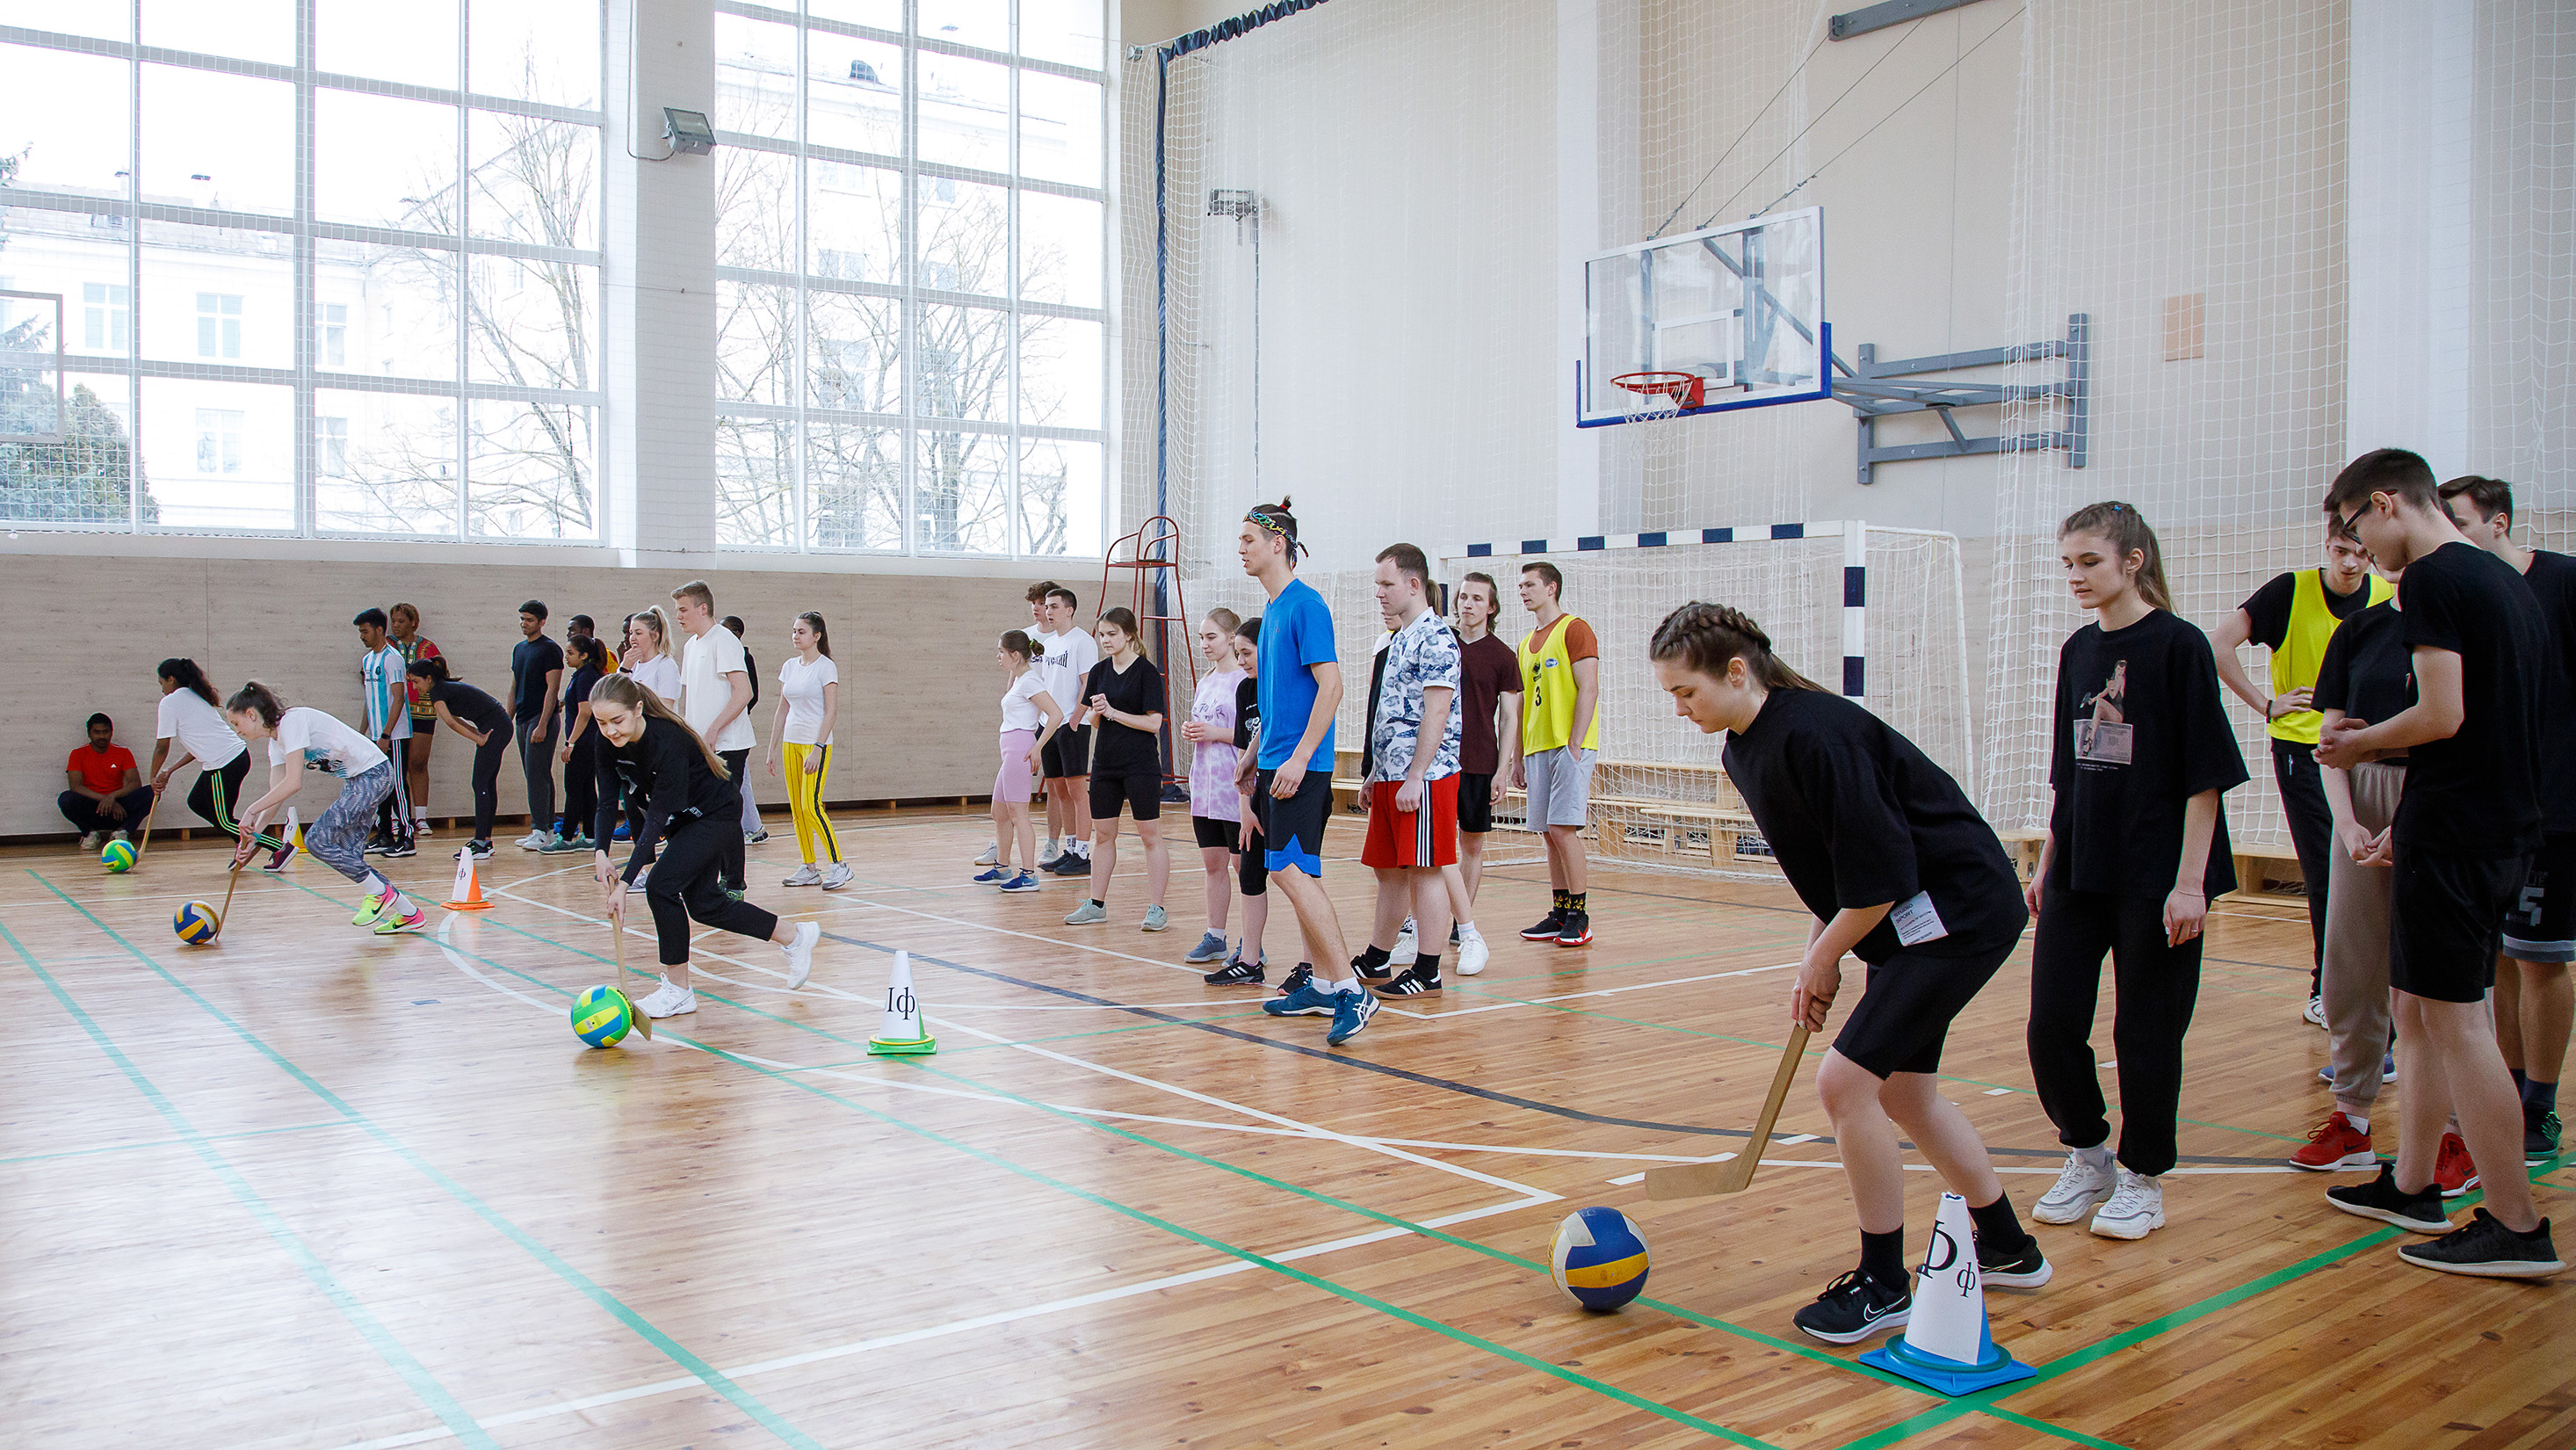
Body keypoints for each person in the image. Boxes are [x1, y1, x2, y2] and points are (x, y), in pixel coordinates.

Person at [1651, 601, 2049, 1344]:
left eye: (1686, 692)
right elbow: (1834, 873)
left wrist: (1824, 956)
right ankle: (2007, 1246)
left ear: (1736, 673)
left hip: (1960, 910)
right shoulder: (1745, 748)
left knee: (1844, 1084)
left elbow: (1881, 878)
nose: (1680, 709)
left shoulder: (1815, 736)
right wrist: (1821, 953)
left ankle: (1883, 1284)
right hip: (1906, 919)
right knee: (1902, 1091)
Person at [2318, 449, 2561, 1276]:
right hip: (2471, 822)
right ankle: (2413, 1183)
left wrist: (2357, 744)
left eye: (2357, 527)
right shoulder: (2499, 580)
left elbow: (2443, 713)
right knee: (2414, 1006)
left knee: (2455, 1017)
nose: (2360, 548)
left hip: (2467, 833)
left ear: (2385, 504)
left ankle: (2517, 1226)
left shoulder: (2430, 580)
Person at [2024, 501, 2247, 1242]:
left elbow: (2204, 776)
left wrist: (2190, 884)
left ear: (2133, 561)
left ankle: (2144, 1176)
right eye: (2068, 564)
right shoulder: (2075, 651)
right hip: (2079, 866)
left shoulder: (2180, 646)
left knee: (2146, 1033)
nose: (2076, 577)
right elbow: (2068, 776)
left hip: (2157, 873)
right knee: (2052, 1024)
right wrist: (2048, 862)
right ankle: (2089, 1155)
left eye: (2089, 562)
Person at [2293, 554, 2453, 1178]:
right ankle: (2352, 1118)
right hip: (2360, 801)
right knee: (2350, 965)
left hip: (2436, 797)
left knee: (2444, 980)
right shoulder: (2359, 630)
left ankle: (2457, 1134)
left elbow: (2450, 728)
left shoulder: (2457, 625)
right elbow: (2330, 743)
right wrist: (2349, 821)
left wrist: (2406, 819)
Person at [2211, 511, 2389, 1022]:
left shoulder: (2385, 595)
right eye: (2341, 550)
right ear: (2326, 544)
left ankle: (2379, 993)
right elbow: (2218, 643)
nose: (2352, 562)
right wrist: (2265, 704)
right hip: (2303, 753)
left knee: (2375, 873)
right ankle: (2326, 989)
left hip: (2369, 754)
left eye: (2362, 552)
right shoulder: (2289, 591)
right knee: (2327, 872)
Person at [2442, 475, 2573, 1166]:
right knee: (2499, 957)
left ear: (2499, 523)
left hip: (2557, 811)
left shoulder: (2563, 582)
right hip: (2493, 811)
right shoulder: (2472, 598)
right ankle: (2514, 1089)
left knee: (2542, 956)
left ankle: (2541, 1108)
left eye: (2458, 523)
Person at [588, 674, 821, 1018]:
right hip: (686, 818)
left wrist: (625, 883)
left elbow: (655, 820)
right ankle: (795, 936)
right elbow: (607, 800)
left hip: (717, 813)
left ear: (638, 709)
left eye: (617, 721)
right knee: (705, 905)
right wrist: (601, 852)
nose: (610, 730)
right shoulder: (607, 742)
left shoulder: (668, 742)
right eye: (602, 722)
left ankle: (678, 990)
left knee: (661, 886)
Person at [1242, 499, 1368, 1045]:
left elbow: (1332, 686)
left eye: (1250, 539)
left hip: (1302, 766)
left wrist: (1297, 758)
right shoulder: (1271, 612)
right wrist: (1254, 758)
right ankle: (1318, 983)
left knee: (1291, 873)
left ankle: (1350, 988)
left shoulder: (1305, 605)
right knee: (1298, 874)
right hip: (1275, 763)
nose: (1242, 548)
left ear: (1279, 543)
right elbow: (1277, 702)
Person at [222, 682, 426, 936]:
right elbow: (276, 797)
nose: (236, 730)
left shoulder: (291, 723)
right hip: (357, 783)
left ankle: (379, 893)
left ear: (251, 715)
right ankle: (410, 915)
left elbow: (293, 782)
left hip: (374, 775)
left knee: (317, 840)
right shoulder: (276, 745)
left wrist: (251, 810)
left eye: (236, 723)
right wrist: (251, 841)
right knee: (350, 858)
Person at [1353, 545, 1462, 997]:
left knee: (1425, 869)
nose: (1378, 593)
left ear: (1414, 585)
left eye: (1386, 584)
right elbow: (1390, 713)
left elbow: (1436, 714)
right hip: (1392, 773)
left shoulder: (1436, 637)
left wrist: (1416, 775)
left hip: (1426, 777)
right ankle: (1379, 956)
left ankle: (1429, 968)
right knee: (1389, 869)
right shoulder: (1400, 637)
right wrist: (1377, 773)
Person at [1063, 607, 1171, 931]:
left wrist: (1112, 711)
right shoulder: (1098, 672)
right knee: (1104, 836)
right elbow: (1096, 721)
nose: (1106, 640)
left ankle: (1157, 908)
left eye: (1112, 634)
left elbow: (1153, 724)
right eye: (1102, 635)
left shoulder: (1146, 673)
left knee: (1149, 835)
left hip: (1140, 765)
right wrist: (1097, 714)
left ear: (1129, 635)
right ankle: (1096, 904)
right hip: (1105, 765)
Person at [1514, 560, 1603, 948]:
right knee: (1549, 833)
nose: (1523, 591)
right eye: (1520, 585)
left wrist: (1576, 743)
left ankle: (1580, 915)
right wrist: (1516, 756)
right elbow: (1519, 707)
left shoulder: (1575, 629)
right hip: (1536, 746)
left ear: (1551, 588)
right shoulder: (1523, 643)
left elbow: (1589, 688)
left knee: (1564, 829)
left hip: (1568, 745)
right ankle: (1560, 910)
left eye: (1530, 584)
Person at [147, 660, 293, 866]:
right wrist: (170, 770)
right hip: (231, 758)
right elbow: (197, 746)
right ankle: (244, 843)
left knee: (223, 819)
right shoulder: (195, 696)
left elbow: (162, 747)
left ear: (171, 679)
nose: (161, 687)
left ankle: (279, 847)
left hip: (225, 762)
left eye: (161, 682)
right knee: (196, 802)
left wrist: (153, 778)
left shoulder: (169, 703)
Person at [1447, 570, 1519, 976]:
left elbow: (1509, 717)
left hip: (1479, 762)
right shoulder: (1442, 643)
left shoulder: (1503, 656)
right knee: (1429, 848)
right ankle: (1417, 922)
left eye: (1477, 598)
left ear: (1491, 607)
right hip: (1439, 762)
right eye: (1463, 597)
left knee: (1470, 845)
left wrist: (1502, 769)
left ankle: (1463, 923)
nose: (1467, 604)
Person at [672, 581, 756, 895]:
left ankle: (734, 882)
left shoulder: (724, 640)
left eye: (683, 609)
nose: (678, 616)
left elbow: (743, 692)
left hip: (728, 744)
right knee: (704, 813)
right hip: (701, 745)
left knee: (725, 812)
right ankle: (711, 876)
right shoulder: (691, 645)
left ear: (702, 608)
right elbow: (691, 698)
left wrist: (714, 729)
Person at [1206, 617, 1275, 984]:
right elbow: (1242, 759)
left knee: (1296, 877)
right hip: (1256, 797)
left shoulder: (1280, 687)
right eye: (1239, 653)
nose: (1243, 660)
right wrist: (1246, 809)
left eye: (1248, 653)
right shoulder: (1244, 690)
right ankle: (1250, 961)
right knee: (1250, 874)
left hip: (1289, 792)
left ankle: (1314, 965)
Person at [1179, 607, 1248, 964]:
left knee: (1243, 867)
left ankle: (1251, 944)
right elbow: (1204, 726)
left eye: (1212, 637)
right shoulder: (1205, 681)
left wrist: (1216, 733)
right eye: (1202, 637)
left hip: (1233, 788)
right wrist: (1193, 732)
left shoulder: (1244, 681)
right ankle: (1215, 935)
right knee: (1213, 864)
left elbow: (1251, 735)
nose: (1204, 644)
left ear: (1232, 638)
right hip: (1204, 787)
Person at [981, 582, 1062, 869]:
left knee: (1018, 814)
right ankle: (1002, 867)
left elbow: (1055, 714)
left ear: (1015, 655)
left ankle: (1028, 874)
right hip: (1010, 751)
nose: (998, 657)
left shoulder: (1029, 681)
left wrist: (1038, 747)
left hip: (1020, 749)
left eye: (1001, 652)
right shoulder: (1018, 679)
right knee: (999, 812)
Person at [768, 611, 850, 889]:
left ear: (817, 636)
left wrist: (817, 747)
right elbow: (782, 710)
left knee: (810, 805)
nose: (795, 636)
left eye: (801, 632)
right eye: (794, 631)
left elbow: (831, 711)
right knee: (797, 810)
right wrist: (772, 748)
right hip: (791, 742)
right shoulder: (789, 666)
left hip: (815, 744)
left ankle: (839, 864)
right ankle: (809, 866)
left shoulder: (826, 667)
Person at [408, 656, 511, 860]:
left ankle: (482, 842)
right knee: (486, 783)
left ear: (428, 679)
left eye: (415, 681)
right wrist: (476, 733)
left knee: (480, 782)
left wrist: (479, 739)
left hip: (496, 727)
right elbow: (455, 719)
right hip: (497, 725)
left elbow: (450, 723)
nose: (414, 686)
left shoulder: (438, 691)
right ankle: (484, 840)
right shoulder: (439, 690)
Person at [1037, 585, 1101, 875]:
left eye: (1053, 607)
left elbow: (1089, 683)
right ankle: (1071, 848)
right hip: (1049, 724)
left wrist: (1076, 718)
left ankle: (1084, 853)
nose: (1048, 612)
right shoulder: (1050, 644)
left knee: (1077, 790)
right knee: (1058, 788)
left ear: (1069, 610)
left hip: (1072, 725)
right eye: (1046, 607)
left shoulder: (1082, 642)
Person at [617, 607, 684, 849]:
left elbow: (665, 709)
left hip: (656, 748)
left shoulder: (665, 666)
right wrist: (624, 668)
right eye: (630, 633)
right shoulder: (630, 667)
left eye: (639, 633)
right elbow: (613, 698)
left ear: (654, 636)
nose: (632, 638)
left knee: (658, 814)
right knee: (633, 811)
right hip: (629, 748)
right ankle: (642, 869)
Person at [353, 607, 417, 859]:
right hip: (375, 736)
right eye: (360, 632)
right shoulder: (368, 660)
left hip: (395, 736)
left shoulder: (393, 658)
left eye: (365, 631)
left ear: (380, 630)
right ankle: (384, 834)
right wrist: (362, 734)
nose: (362, 636)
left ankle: (407, 836)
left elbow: (399, 698)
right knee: (380, 786)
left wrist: (386, 735)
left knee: (398, 784)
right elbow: (369, 701)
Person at [507, 600, 565, 852]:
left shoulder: (550, 649)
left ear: (542, 621)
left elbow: (552, 689)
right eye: (522, 619)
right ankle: (548, 829)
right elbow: (514, 686)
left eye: (529, 619)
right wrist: (505, 719)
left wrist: (542, 724)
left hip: (540, 719)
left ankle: (540, 829)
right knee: (535, 773)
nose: (524, 624)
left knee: (538, 775)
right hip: (522, 719)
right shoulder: (519, 649)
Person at [548, 635, 607, 854]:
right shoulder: (583, 675)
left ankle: (565, 839)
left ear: (584, 655)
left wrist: (570, 743)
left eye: (570, 653)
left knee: (573, 790)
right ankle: (590, 836)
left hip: (583, 743)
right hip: (589, 742)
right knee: (586, 791)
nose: (566, 657)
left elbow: (585, 711)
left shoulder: (585, 677)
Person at [60, 713, 154, 849]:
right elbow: (76, 786)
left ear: (111, 732)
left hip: (119, 810)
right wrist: (105, 799)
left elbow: (135, 783)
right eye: (97, 732)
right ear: (89, 734)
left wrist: (113, 797)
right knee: (66, 799)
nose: (102, 736)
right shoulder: (77, 754)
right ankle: (89, 833)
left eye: (105, 732)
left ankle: (122, 832)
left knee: (152, 792)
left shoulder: (123, 752)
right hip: (92, 808)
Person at [388, 603, 441, 839]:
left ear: (413, 622)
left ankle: (420, 817)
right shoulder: (387, 646)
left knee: (418, 763)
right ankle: (395, 817)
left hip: (423, 711)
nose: (396, 625)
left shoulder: (428, 647)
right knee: (394, 767)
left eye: (401, 621)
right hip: (395, 713)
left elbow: (439, 677)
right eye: (394, 621)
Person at [724, 614, 769, 845]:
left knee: (739, 782)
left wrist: (737, 713)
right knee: (742, 781)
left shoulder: (744, 657)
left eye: (726, 630)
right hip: (725, 727)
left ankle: (752, 827)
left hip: (737, 727)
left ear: (737, 634)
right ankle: (753, 827)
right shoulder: (722, 655)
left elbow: (752, 695)